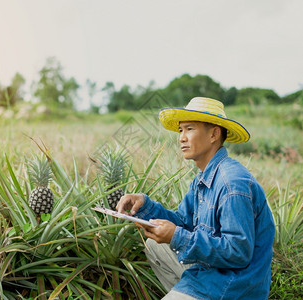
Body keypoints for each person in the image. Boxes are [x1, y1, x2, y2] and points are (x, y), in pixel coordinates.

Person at [116, 97, 275, 300]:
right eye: (181, 130)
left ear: (214, 134)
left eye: (190, 129)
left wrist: (177, 236)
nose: (181, 137)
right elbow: (183, 222)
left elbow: (238, 252)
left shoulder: (232, 183)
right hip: (211, 273)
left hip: (234, 286)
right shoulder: (203, 178)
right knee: (156, 246)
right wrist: (145, 206)